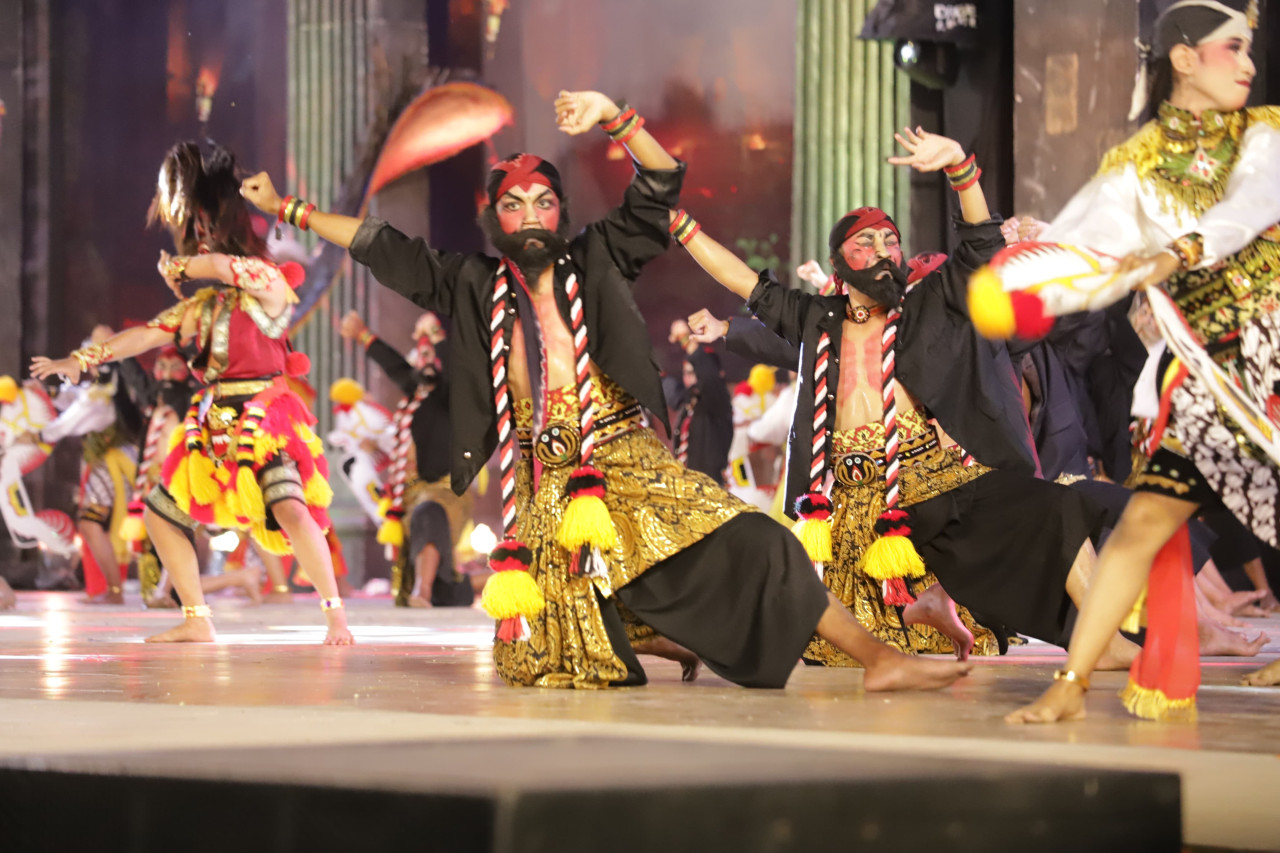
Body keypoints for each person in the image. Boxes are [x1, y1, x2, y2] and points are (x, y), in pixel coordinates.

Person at [240, 89, 972, 691]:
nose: (531, 215)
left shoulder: (597, 257)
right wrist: (287, 209)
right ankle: (659, 636)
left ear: (561, 212)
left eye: (544, 202)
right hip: (547, 478)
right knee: (556, 643)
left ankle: (879, 659)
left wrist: (612, 116)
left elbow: (660, 181)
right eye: (515, 204)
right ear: (495, 218)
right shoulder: (469, 283)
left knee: (758, 538)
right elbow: (379, 244)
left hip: (625, 451)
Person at [679, 126, 1127, 668]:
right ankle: (929, 602)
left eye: (890, 241)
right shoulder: (817, 319)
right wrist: (680, 227)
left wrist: (960, 167)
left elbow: (980, 247)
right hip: (846, 499)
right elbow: (743, 281)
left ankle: (1100, 640)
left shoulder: (923, 309)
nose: (882, 251)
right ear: (839, 263)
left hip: (927, 477)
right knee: (801, 618)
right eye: (865, 243)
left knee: (1053, 508)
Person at [1006, 0, 1280, 722]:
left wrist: (1175, 253)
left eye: (1250, 48)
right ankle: (1071, 684)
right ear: (1184, 57)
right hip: (1206, 374)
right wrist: (1021, 283)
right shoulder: (1133, 165)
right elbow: (1082, 248)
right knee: (1143, 522)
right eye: (1232, 48)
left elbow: (1251, 203)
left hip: (1272, 354)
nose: (1249, 64)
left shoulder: (1265, 134)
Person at [31, 141, 352, 645]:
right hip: (213, 421)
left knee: (291, 510)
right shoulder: (199, 309)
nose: (199, 243)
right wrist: (80, 361)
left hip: (265, 417)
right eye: (194, 234)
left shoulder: (269, 283)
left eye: (205, 231)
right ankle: (197, 618)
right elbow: (144, 335)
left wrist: (183, 267)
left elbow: (226, 268)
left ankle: (336, 618)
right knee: (160, 515)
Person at [338, 310, 474, 608]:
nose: (427, 358)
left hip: (445, 490)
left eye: (433, 353)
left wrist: (436, 335)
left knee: (429, 513)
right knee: (435, 588)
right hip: (408, 494)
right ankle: (441, 589)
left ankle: (422, 592)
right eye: (422, 354)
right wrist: (363, 334)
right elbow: (395, 366)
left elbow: (451, 370)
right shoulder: (415, 396)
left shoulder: (451, 396)